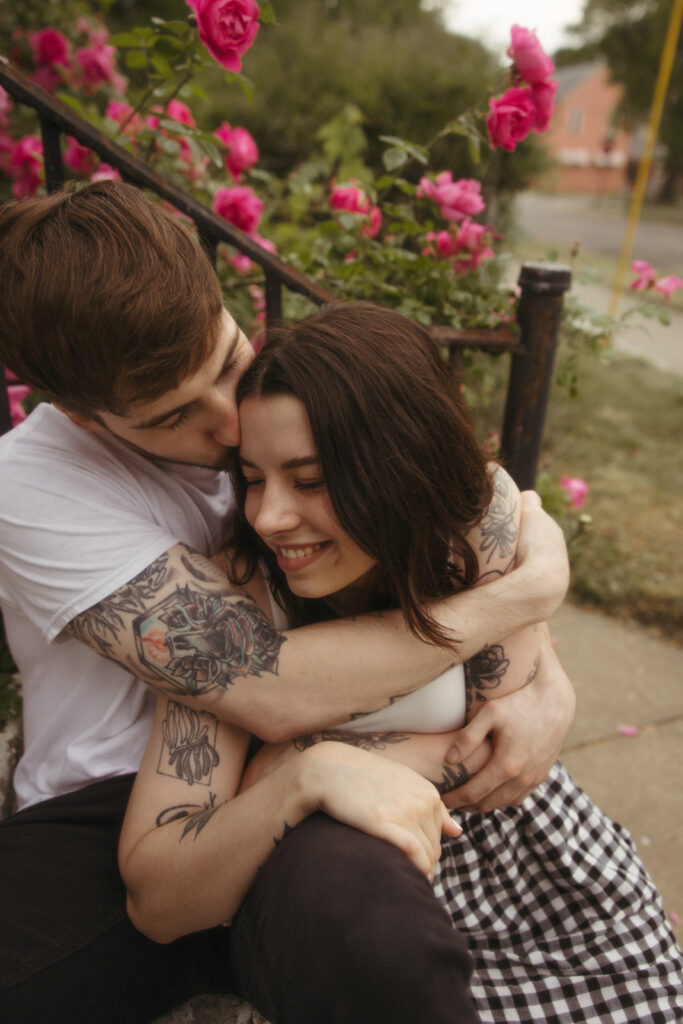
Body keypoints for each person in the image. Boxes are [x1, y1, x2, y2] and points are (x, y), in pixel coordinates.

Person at [0, 180, 574, 1024]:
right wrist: (521, 597)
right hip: (110, 809)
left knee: (373, 944)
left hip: (335, 775)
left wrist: (543, 671)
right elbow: (267, 684)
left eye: (229, 363)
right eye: (173, 417)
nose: (233, 425)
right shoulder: (29, 484)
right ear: (86, 419)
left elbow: (431, 517)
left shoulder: (283, 415)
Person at [120, 302, 683, 1023]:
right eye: (253, 477)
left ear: (397, 466)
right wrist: (301, 774)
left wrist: (280, 760)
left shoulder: (476, 530)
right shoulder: (233, 599)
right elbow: (158, 896)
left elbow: (497, 753)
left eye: (311, 478)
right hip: (363, 912)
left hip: (542, 884)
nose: (267, 516)